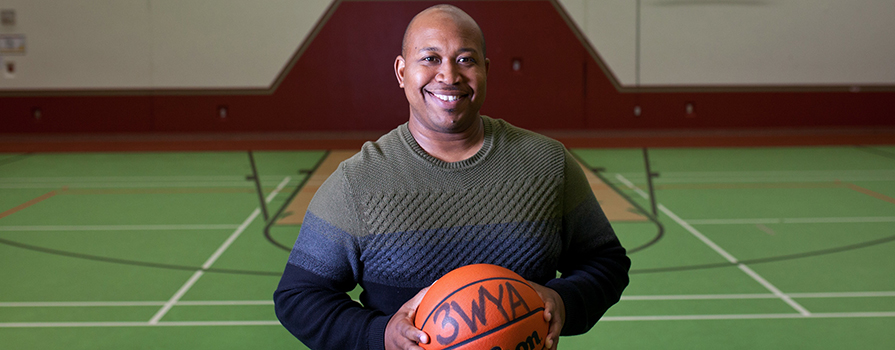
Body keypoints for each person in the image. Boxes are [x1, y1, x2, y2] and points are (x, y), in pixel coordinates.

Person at [274, 4, 630, 350]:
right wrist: (380, 335)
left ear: (486, 70)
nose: (449, 75)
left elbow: (607, 263)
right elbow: (298, 296)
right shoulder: (359, 182)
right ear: (401, 72)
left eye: (466, 59)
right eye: (430, 58)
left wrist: (564, 302)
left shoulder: (547, 164)